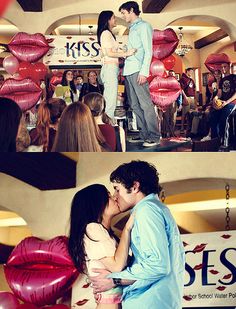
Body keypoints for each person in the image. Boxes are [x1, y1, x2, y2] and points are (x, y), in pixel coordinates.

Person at [90, 160, 185, 309]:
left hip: (150, 302)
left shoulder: (147, 210)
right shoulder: (152, 208)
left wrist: (113, 280)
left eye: (117, 189)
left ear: (134, 187)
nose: (115, 196)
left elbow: (157, 265)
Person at [68, 184, 134, 308]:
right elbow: (117, 266)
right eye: (108, 196)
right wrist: (127, 228)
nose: (114, 197)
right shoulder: (92, 228)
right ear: (96, 204)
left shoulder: (105, 233)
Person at [118, 1, 160, 147]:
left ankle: (154, 136)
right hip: (128, 71)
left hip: (138, 71)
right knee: (135, 106)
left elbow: (148, 51)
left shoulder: (144, 26)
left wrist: (144, 72)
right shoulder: (132, 28)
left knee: (146, 105)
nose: (122, 16)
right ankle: (144, 134)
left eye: (123, 12)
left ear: (131, 10)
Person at [97, 10, 136, 119]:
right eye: (114, 17)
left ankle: (108, 123)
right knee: (110, 100)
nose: (116, 19)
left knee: (111, 99)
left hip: (111, 68)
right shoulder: (105, 33)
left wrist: (123, 51)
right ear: (108, 20)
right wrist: (126, 53)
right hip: (109, 68)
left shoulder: (108, 34)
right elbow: (109, 53)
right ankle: (108, 125)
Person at [210, 62, 236, 148]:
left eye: (225, 67)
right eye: (222, 67)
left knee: (224, 119)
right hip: (222, 103)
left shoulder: (234, 77)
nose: (223, 69)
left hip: (232, 103)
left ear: (229, 67)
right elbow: (220, 93)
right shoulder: (222, 80)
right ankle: (214, 141)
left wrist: (227, 102)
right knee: (213, 117)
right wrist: (216, 98)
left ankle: (225, 144)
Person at [179, 68, 199, 137]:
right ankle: (182, 128)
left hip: (192, 98)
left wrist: (196, 100)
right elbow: (181, 89)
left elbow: (194, 90)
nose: (192, 73)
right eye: (191, 71)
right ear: (187, 71)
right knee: (185, 113)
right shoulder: (183, 79)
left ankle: (189, 127)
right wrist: (184, 97)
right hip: (187, 97)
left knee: (192, 113)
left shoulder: (192, 80)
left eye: (192, 72)